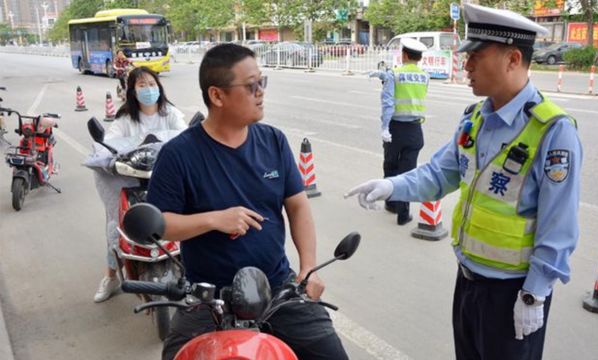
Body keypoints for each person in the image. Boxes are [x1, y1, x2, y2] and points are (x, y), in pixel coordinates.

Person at [346, 4, 582, 360]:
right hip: (468, 281)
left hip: (513, 292)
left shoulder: (553, 131)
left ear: (513, 59)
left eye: (476, 56)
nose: (465, 65)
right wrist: (392, 186)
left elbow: (558, 225)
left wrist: (535, 293)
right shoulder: (474, 118)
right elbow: (440, 174)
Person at [145, 44, 348, 360]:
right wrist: (214, 219)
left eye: (262, 83)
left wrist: (308, 268)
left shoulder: (273, 141)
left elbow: (297, 206)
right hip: (208, 296)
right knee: (176, 355)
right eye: (251, 85)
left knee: (331, 354)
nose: (260, 93)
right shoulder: (178, 155)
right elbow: (161, 225)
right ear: (217, 96)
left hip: (277, 287)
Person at [93, 66, 187, 303]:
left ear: (159, 87)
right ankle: (111, 275)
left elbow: (186, 137)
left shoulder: (170, 113)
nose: (148, 89)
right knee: (116, 224)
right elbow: (109, 144)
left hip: (167, 179)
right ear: (132, 91)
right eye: (142, 85)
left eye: (152, 84)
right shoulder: (125, 118)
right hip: (132, 179)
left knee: (191, 217)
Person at [370, 38, 429, 225]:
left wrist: (385, 128)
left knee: (390, 166)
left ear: (403, 55)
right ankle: (403, 214)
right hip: (415, 130)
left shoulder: (393, 74)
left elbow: (388, 105)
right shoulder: (425, 76)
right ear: (419, 58)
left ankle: (392, 203)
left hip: (395, 128)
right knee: (408, 173)